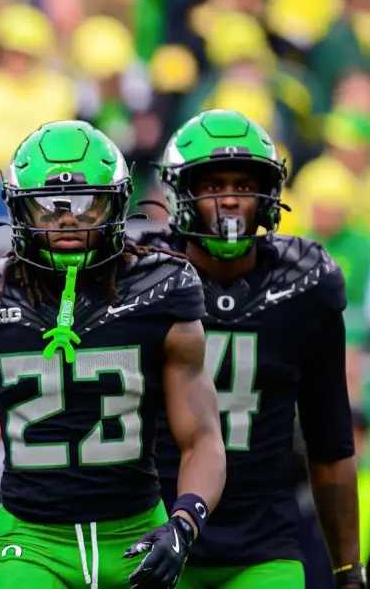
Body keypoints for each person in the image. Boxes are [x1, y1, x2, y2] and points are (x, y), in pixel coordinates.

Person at [0, 120, 227, 589]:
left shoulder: (162, 289)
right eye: (47, 205)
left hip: (136, 532)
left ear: (116, 203)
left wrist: (184, 523)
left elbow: (202, 437)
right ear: (20, 210)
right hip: (32, 542)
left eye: (86, 203)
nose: (67, 219)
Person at [143, 109, 364, 589]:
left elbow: (331, 444)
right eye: (212, 185)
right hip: (153, 539)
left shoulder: (304, 284)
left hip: (263, 547)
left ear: (267, 194)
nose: (229, 202)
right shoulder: (141, 278)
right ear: (183, 194)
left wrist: (349, 571)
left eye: (243, 185)